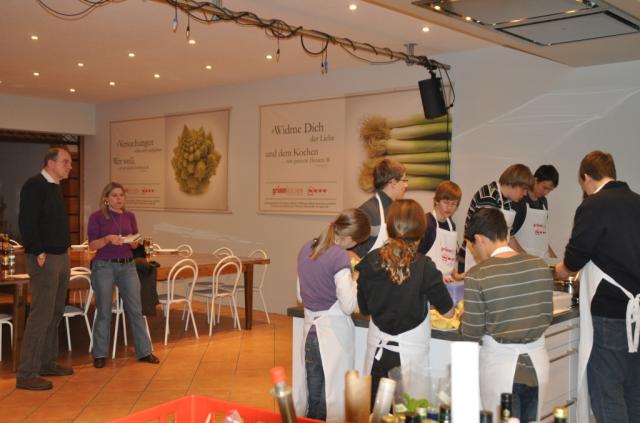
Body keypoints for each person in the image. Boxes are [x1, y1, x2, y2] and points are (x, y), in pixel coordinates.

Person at [554, 151, 640, 423]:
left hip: (609, 311)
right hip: (636, 313)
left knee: (607, 391)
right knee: (633, 389)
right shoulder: (637, 202)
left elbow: (574, 259)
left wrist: (557, 271)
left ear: (587, 178)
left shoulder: (593, 205)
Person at [356, 199, 454, 404]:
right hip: (411, 360)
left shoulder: (369, 261)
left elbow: (364, 309)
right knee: (409, 413)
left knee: (376, 413)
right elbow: (448, 311)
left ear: (390, 226)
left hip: (377, 356)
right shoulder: (425, 266)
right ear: (421, 231)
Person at [462, 208, 553, 422]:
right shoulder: (540, 266)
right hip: (537, 366)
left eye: (473, 245)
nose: (475, 252)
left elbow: (471, 332)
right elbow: (546, 315)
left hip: (500, 368)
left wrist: (462, 320)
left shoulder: (478, 275)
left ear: (479, 239)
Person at [293, 208, 371, 422]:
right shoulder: (339, 256)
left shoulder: (307, 247)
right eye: (357, 241)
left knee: (313, 396)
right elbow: (348, 305)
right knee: (331, 400)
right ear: (349, 238)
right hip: (332, 336)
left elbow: (300, 294)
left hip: (310, 333)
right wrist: (355, 278)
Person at [16, 147, 74, 390]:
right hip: (45, 258)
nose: (70, 166)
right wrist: (38, 250)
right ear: (50, 163)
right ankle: (26, 373)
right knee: (41, 314)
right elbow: (26, 222)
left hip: (60, 256)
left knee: (55, 311)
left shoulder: (55, 187)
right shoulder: (34, 185)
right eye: (65, 162)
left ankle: (46, 363)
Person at [88, 182, 159, 368]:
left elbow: (135, 240)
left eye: (121, 195)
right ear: (106, 198)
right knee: (104, 310)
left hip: (127, 265)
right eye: (115, 195)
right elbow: (92, 245)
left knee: (135, 309)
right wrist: (107, 239)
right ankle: (100, 354)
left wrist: (134, 242)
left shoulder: (130, 216)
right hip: (104, 266)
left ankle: (144, 352)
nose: (119, 199)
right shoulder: (96, 217)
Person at [461, 163, 533, 271]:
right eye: (524, 189)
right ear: (514, 183)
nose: (525, 194)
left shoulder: (507, 202)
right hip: (475, 259)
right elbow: (486, 240)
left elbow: (509, 237)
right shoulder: (489, 196)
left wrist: (524, 258)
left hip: (492, 259)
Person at [353, 158, 408, 257]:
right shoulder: (366, 212)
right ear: (393, 183)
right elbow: (351, 252)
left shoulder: (394, 209)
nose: (406, 185)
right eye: (404, 180)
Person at [417, 180, 463, 282]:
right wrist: (435, 277)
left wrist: (456, 275)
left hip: (446, 281)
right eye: (446, 202)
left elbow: (446, 259)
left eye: (453, 204)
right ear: (436, 201)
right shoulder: (426, 223)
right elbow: (417, 258)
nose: (449, 207)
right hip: (427, 280)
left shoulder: (451, 226)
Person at [512, 165, 559, 258]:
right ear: (535, 180)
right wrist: (527, 259)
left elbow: (541, 237)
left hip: (542, 260)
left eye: (550, 190)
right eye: (544, 187)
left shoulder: (543, 202)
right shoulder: (519, 200)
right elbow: (510, 237)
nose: (546, 193)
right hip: (523, 261)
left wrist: (556, 260)